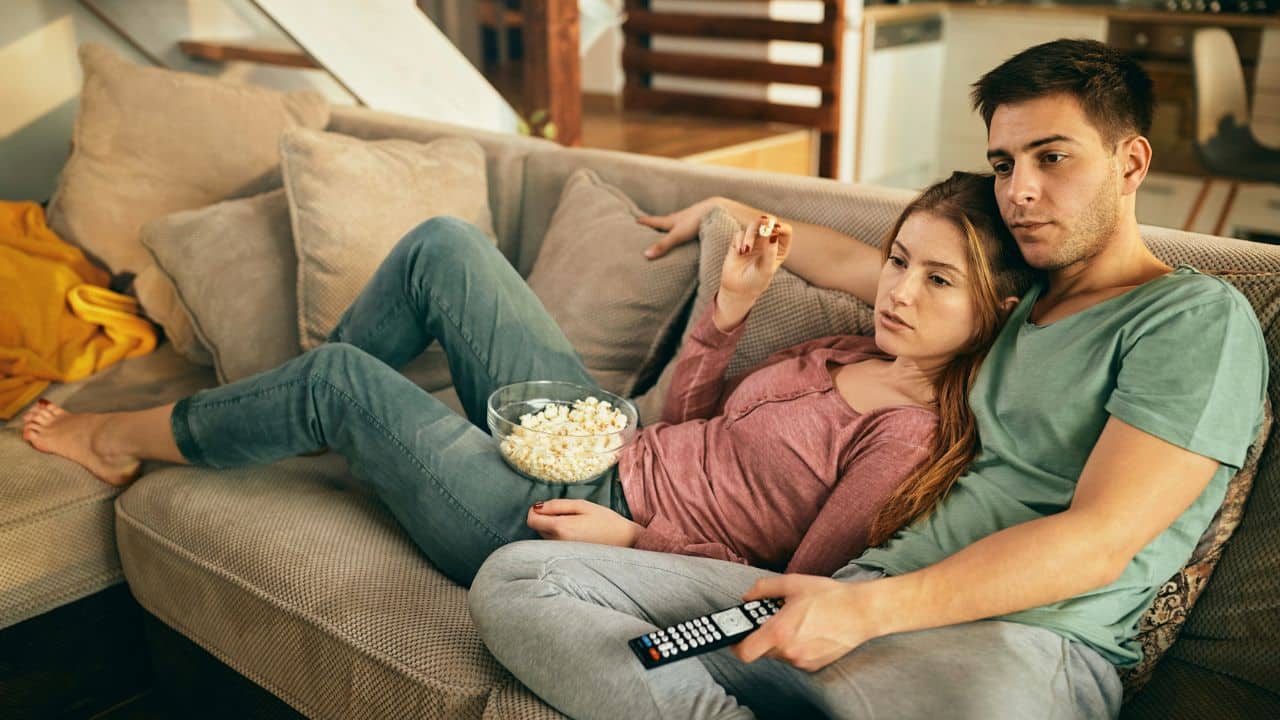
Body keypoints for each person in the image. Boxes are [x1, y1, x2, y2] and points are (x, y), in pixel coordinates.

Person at [466, 38, 1269, 719]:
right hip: (836, 602)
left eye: (1052, 157)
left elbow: (1100, 541)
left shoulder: (1191, 318)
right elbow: (856, 262)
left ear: (1130, 162)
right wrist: (721, 206)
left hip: (1010, 647)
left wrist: (864, 610)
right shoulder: (1007, 302)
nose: (1019, 191)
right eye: (1003, 162)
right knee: (522, 578)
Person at [20, 171, 1031, 587]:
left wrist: (636, 539)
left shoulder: (903, 440)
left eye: (937, 280)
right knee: (444, 245)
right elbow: (688, 423)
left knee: (336, 378)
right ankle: (314, 417)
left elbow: (792, 592)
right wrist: (721, 319)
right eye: (898, 261)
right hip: (607, 443)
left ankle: (122, 439)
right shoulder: (858, 349)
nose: (896, 291)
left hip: (561, 518)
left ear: (996, 309)